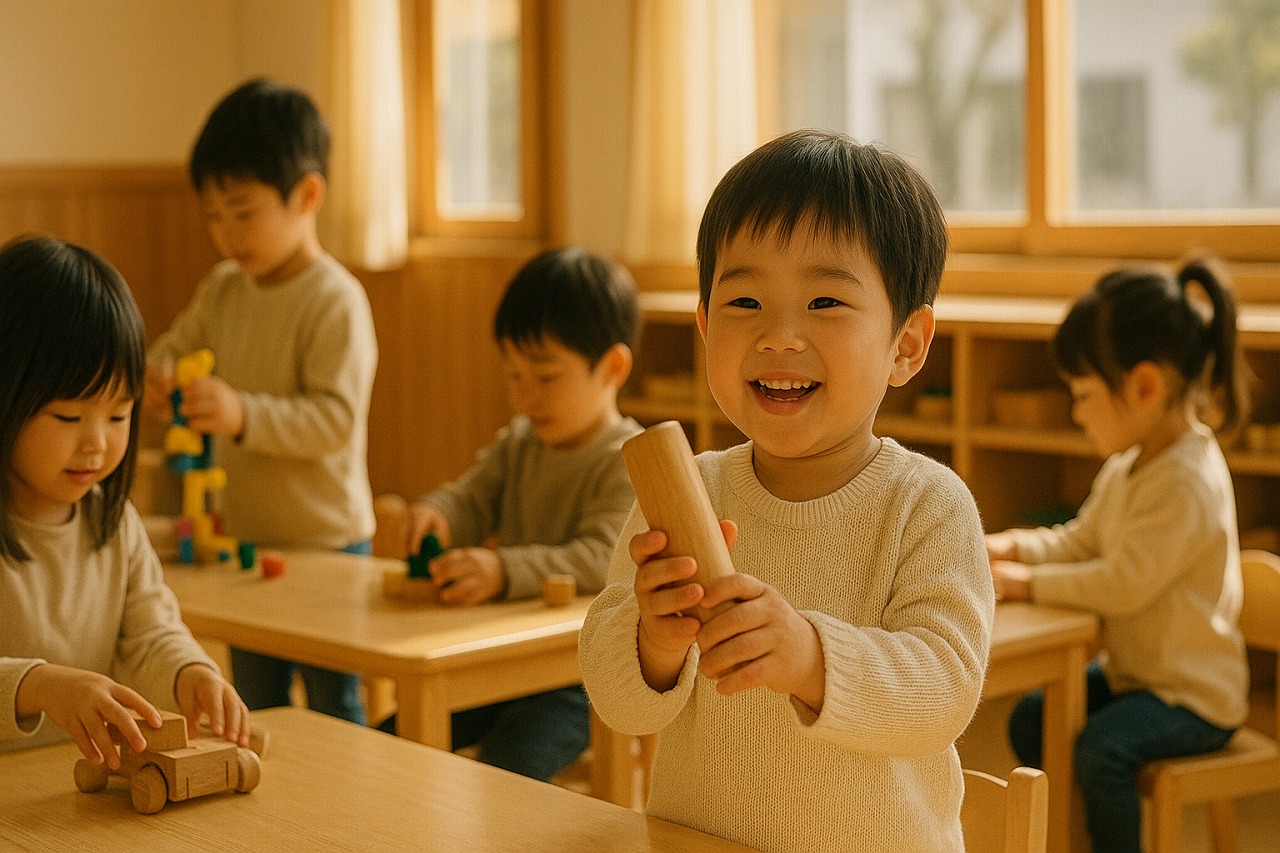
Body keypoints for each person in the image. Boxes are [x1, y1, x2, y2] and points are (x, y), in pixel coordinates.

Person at [578, 130, 993, 852]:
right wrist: (653, 642)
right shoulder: (687, 493)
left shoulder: (928, 504)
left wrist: (812, 658)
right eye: (744, 301)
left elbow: (944, 691)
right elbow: (620, 706)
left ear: (905, 344)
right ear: (705, 325)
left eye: (825, 300)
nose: (778, 336)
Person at [986, 257, 1250, 853]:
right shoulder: (1130, 466)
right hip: (1140, 676)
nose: (1076, 412)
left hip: (1193, 697)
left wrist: (1027, 584)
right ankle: (1075, 834)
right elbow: (1080, 541)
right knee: (1033, 717)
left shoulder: (1186, 482)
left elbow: (1121, 583)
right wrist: (1012, 545)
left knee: (1102, 751)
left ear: (1144, 387)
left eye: (1083, 395)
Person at [144, 78, 378, 725]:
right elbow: (171, 351)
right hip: (243, 540)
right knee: (257, 703)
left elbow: (333, 420)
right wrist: (159, 380)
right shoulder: (224, 289)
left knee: (334, 703)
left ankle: (348, 786)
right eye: (213, 216)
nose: (227, 234)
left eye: (242, 212)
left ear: (307, 196)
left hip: (326, 542)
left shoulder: (335, 300)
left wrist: (242, 414)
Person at [378, 246, 643, 782]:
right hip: (495, 663)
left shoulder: (628, 459)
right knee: (391, 740)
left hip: (579, 680)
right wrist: (437, 512)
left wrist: (504, 571)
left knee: (503, 772)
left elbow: (602, 558)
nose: (526, 397)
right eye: (513, 376)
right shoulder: (519, 444)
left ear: (612, 368)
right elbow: (470, 499)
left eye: (545, 377)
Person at [1, 235, 251, 768]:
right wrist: (37, 685)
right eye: (69, 417)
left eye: (118, 414)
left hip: (73, 790)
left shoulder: (113, 523)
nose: (96, 443)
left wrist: (190, 672)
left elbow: (150, 634)